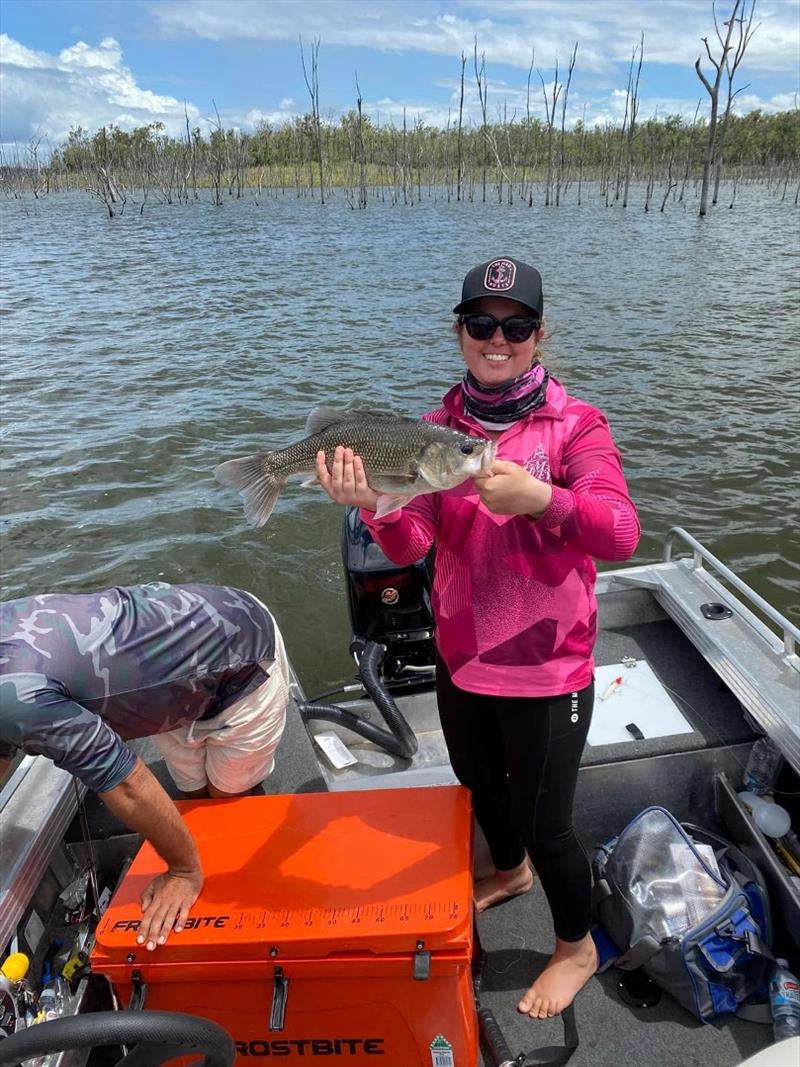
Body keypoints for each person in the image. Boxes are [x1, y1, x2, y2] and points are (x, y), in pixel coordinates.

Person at [315, 256, 640, 1021]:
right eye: (482, 324)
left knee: (550, 821)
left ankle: (575, 945)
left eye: (516, 326)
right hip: (461, 658)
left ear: (539, 334)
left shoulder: (576, 425)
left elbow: (621, 531)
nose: (499, 340)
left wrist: (542, 498)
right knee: (478, 783)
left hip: (548, 669)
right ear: (460, 332)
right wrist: (380, 507)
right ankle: (512, 870)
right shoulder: (435, 431)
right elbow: (411, 544)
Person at [0, 581, 290, 952]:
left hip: (242, 654)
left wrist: (183, 872)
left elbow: (125, 783)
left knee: (226, 799)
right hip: (166, 685)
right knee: (193, 797)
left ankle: (210, 877)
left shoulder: (15, 695)